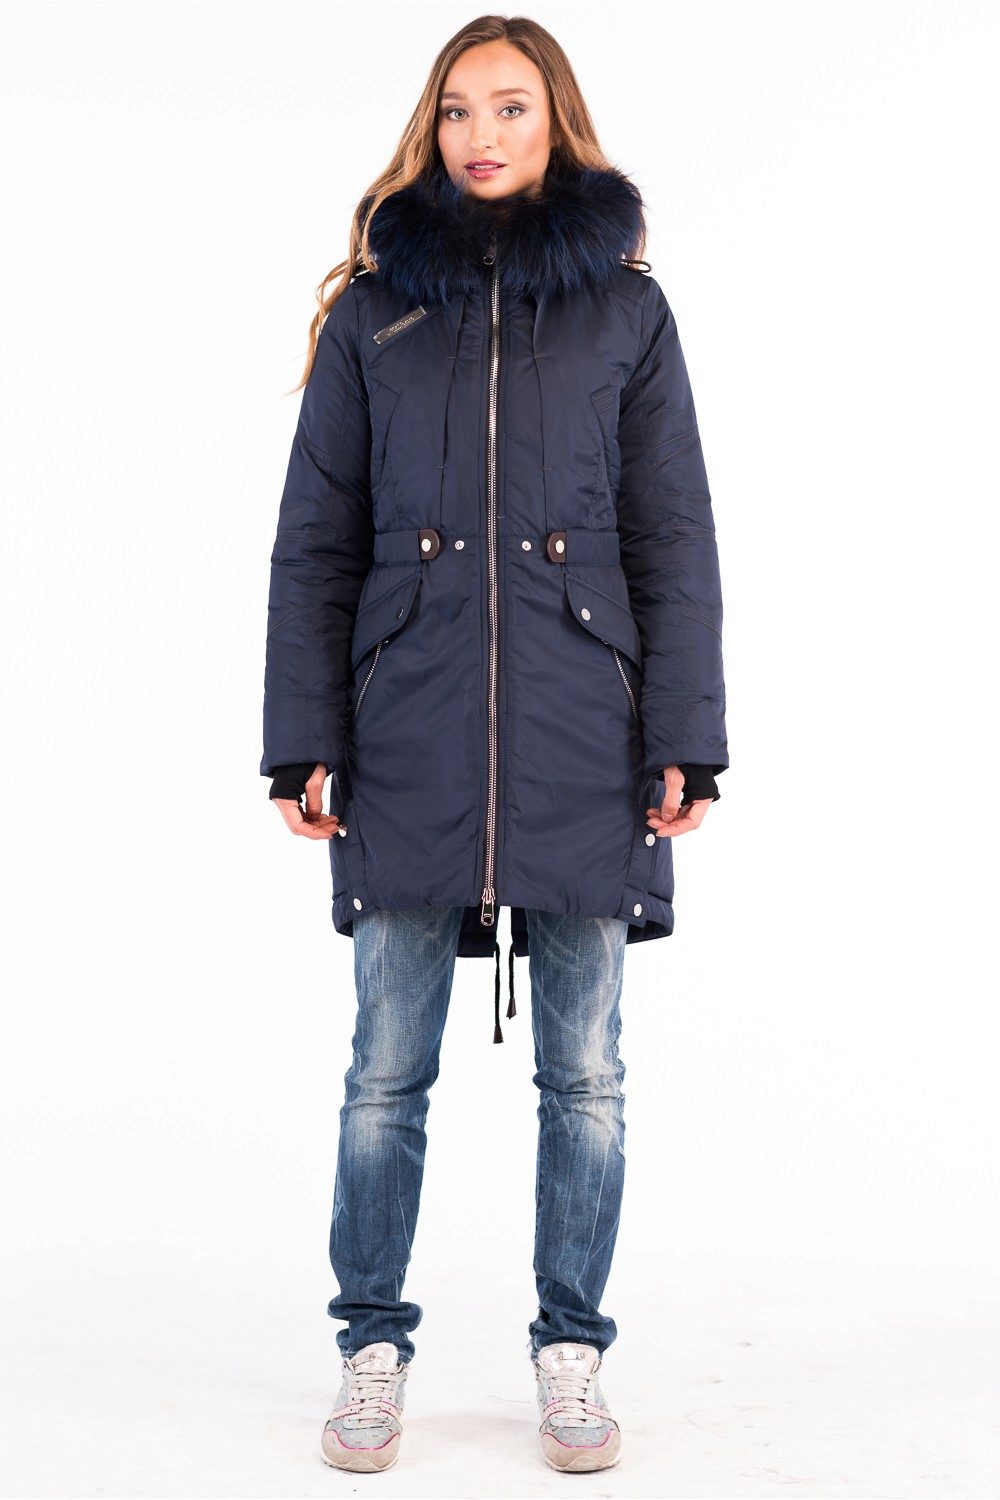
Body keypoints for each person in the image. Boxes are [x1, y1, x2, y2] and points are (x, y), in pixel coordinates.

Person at [259, 14, 728, 1477]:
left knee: (585, 1075)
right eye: (459, 109)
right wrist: (302, 739)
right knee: (382, 1072)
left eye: (512, 108)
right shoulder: (374, 311)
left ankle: (571, 1353)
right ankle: (372, 1350)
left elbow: (672, 535)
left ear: (555, 122)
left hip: (589, 732)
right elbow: (315, 541)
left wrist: (687, 738)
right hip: (405, 729)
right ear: (433, 125)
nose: (482, 134)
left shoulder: (627, 312)